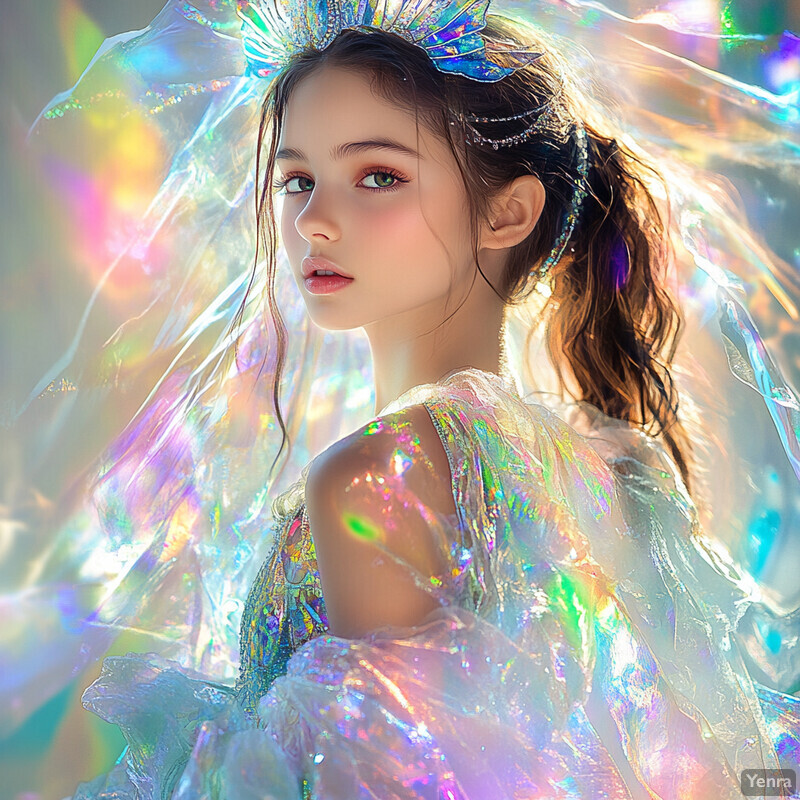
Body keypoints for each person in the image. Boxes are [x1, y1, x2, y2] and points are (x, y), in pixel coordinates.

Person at [10, 0, 800, 798]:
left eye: (378, 175)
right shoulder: (600, 461)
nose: (313, 220)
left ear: (507, 212)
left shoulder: (374, 477)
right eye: (296, 179)